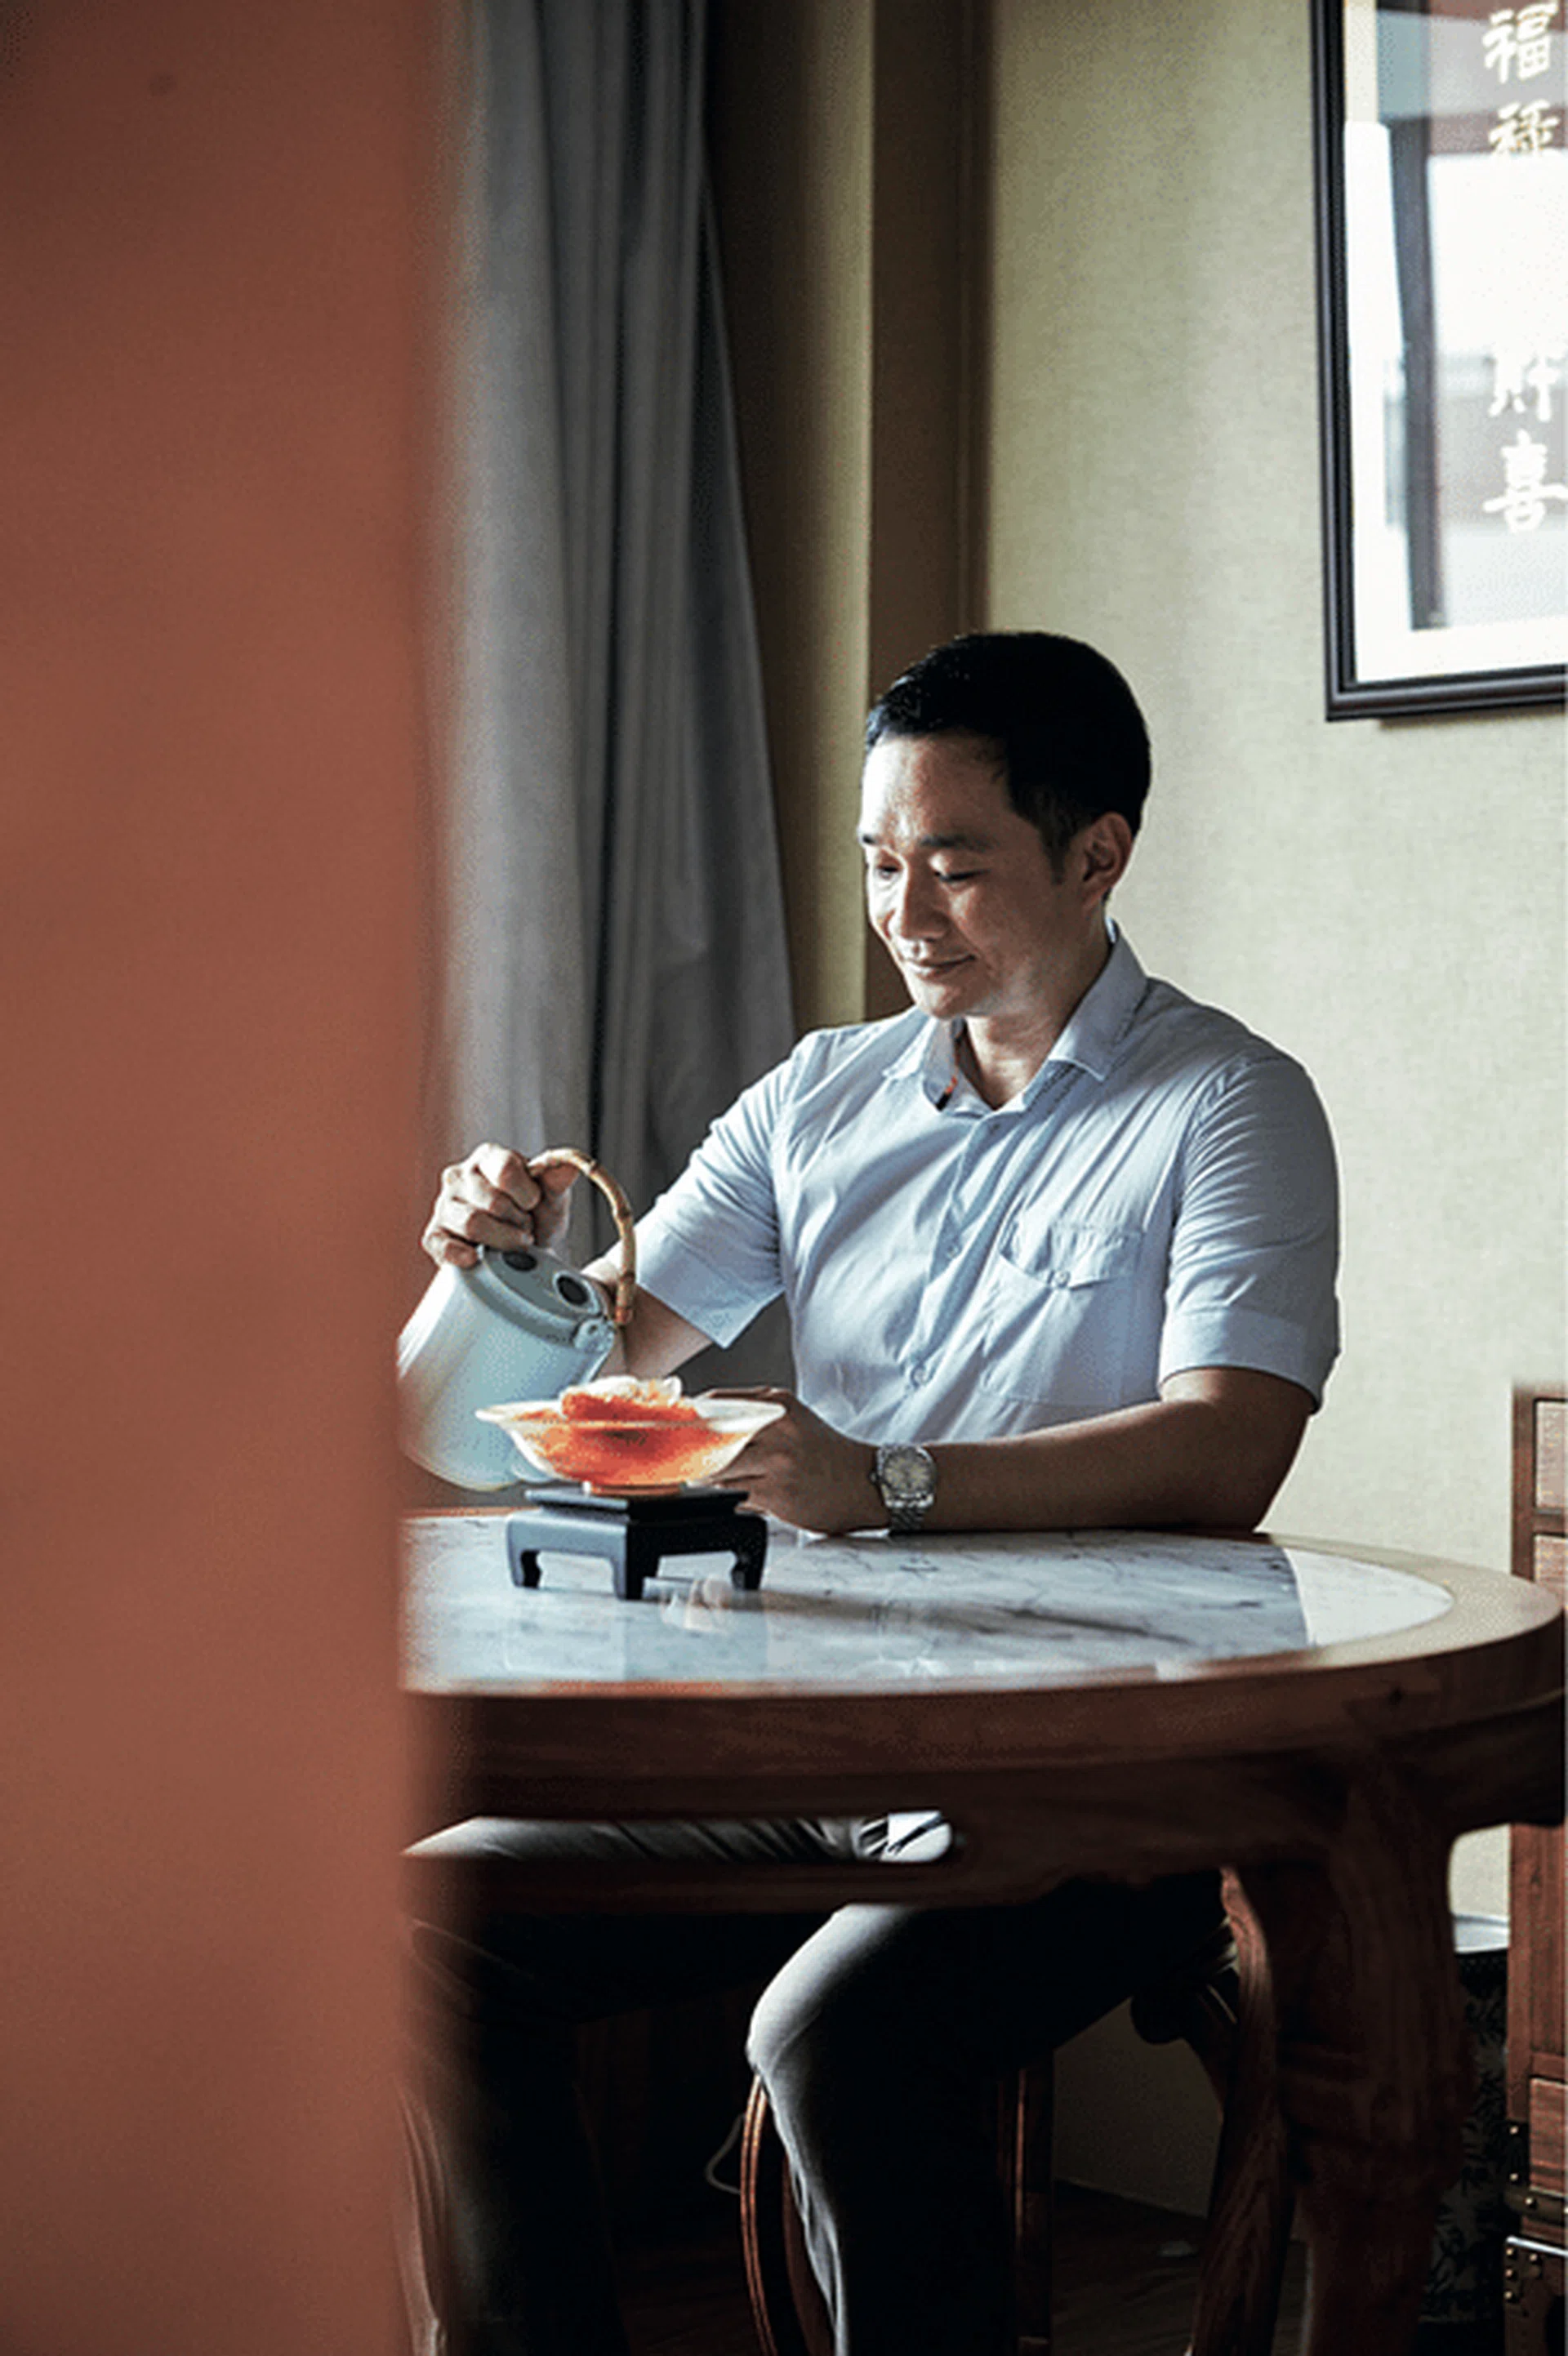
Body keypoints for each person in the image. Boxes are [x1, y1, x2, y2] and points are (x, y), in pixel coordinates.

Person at [407, 631, 1339, 2356]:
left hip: (1087, 1775)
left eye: (957, 861)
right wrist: (507, 1253)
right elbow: (611, 1347)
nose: (906, 909)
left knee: (835, 2031)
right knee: (419, 1930)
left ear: (1097, 851)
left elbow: (1230, 1445)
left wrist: (882, 1480)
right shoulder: (819, 1095)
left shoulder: (1226, 1105)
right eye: (879, 858)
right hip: (801, 1744)